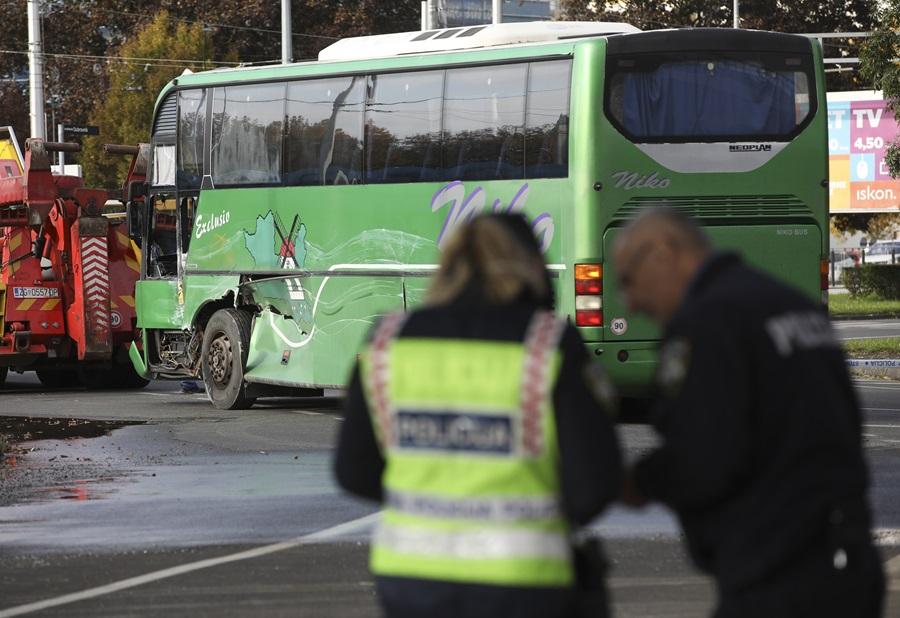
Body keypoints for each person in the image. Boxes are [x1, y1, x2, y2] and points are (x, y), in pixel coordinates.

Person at [334, 213, 623, 618]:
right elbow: (594, 486)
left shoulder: (388, 340)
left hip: (411, 582)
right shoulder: (549, 346)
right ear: (532, 266)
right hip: (524, 584)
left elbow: (354, 471)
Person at [613, 208, 884, 618]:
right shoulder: (790, 304)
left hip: (776, 570)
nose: (631, 302)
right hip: (847, 559)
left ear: (664, 253)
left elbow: (703, 455)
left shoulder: (708, 323)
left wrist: (635, 483)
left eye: (628, 281)